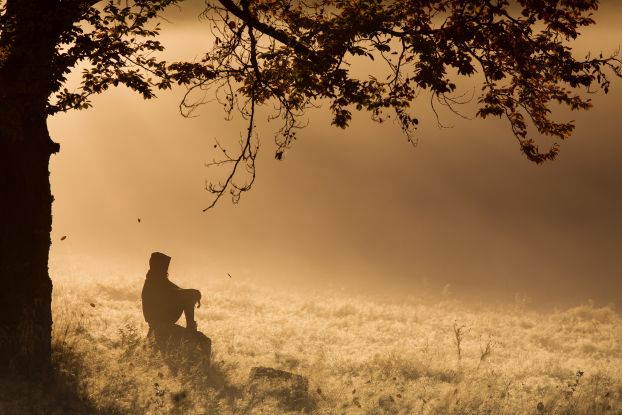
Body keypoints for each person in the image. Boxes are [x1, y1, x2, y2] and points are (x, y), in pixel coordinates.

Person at [142, 252, 202, 336]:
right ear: (159, 266)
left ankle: (191, 327)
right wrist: (191, 293)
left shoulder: (157, 278)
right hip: (159, 321)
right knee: (188, 297)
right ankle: (191, 327)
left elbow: (175, 289)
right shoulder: (154, 281)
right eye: (164, 266)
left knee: (189, 295)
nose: (166, 269)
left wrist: (191, 292)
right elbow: (172, 292)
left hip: (161, 320)